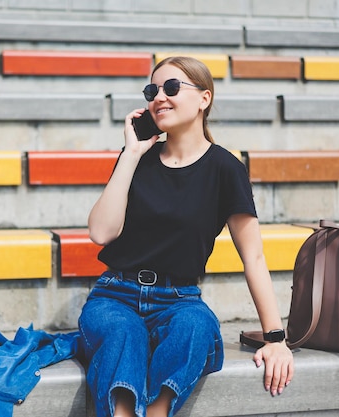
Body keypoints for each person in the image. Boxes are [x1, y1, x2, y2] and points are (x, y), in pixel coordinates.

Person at [77, 56, 294, 417]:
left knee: (197, 325)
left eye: (172, 87)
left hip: (178, 299)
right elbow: (101, 232)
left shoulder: (225, 169)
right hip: (114, 295)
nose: (159, 97)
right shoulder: (137, 159)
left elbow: (253, 257)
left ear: (204, 99)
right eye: (152, 90)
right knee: (122, 333)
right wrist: (131, 153)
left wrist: (276, 340)